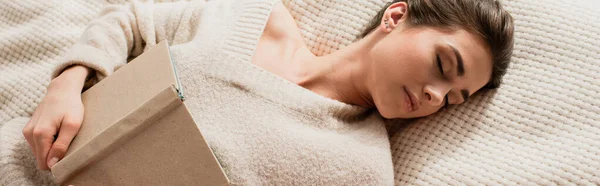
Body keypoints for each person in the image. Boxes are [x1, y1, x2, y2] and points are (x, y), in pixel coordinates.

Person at [22, 0, 514, 184]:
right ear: (396, 16)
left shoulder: (362, 169)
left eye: (453, 99)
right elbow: (132, 18)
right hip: (28, 160)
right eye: (444, 65)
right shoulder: (253, 17)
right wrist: (69, 81)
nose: (435, 97)